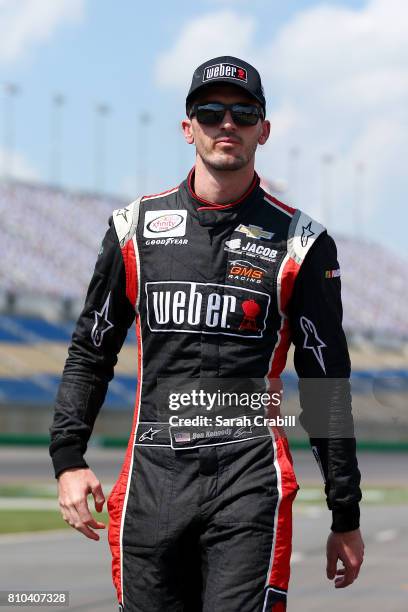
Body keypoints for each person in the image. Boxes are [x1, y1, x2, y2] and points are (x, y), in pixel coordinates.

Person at [49, 56, 364, 611]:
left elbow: (325, 384)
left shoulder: (303, 242)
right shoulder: (134, 228)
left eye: (244, 114)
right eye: (211, 110)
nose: (227, 124)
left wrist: (346, 511)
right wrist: (69, 459)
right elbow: (90, 352)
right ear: (187, 125)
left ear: (264, 131)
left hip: (248, 476)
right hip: (152, 477)